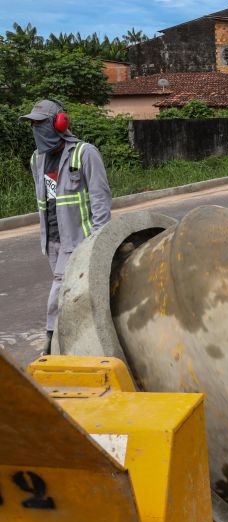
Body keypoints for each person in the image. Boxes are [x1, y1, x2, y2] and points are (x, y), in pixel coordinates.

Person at [20, 99, 112, 355]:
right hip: (52, 239)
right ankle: (83, 339)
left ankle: (50, 345)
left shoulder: (85, 153)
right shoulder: (36, 160)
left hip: (79, 238)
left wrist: (100, 238)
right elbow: (48, 200)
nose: (36, 130)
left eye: (41, 124)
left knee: (59, 289)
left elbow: (100, 198)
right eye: (33, 125)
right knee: (73, 292)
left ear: (59, 123)